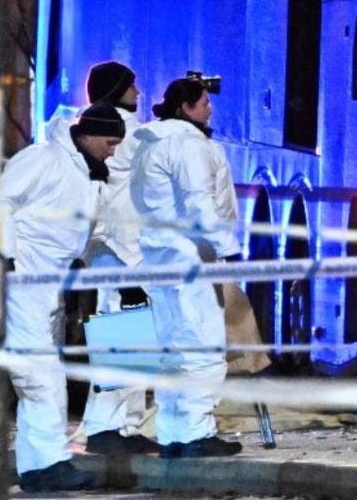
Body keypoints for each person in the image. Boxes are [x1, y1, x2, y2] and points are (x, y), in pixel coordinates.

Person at [0, 103, 125, 492]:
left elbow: (93, 237)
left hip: (46, 285)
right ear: (88, 136)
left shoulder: (89, 175)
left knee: (42, 371)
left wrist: (123, 274)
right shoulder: (42, 160)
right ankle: (46, 465)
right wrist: (1, 259)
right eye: (109, 141)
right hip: (22, 277)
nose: (113, 150)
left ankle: (42, 465)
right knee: (39, 374)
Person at [129, 77, 242, 458]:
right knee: (204, 348)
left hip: (159, 258)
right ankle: (195, 433)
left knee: (173, 351)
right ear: (186, 107)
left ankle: (174, 433)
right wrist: (229, 250)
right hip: (194, 258)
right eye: (204, 102)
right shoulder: (189, 145)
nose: (210, 109)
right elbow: (199, 202)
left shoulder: (149, 144)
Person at [79, 60, 158, 455]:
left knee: (133, 337)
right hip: (118, 251)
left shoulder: (118, 131)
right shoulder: (122, 133)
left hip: (125, 250)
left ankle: (124, 426)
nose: (139, 94)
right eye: (132, 87)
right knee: (121, 336)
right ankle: (105, 427)